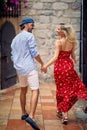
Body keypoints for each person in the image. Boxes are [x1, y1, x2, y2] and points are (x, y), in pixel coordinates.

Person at [42, 23, 87, 125]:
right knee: (75, 86)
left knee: (62, 90)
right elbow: (73, 55)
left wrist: (45, 65)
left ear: (63, 31)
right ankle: (60, 111)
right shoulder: (72, 42)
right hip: (69, 67)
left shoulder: (58, 42)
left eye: (58, 29)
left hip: (60, 68)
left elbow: (55, 57)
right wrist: (74, 61)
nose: (56, 30)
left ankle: (65, 115)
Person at [11, 17, 44, 130]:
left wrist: (17, 64)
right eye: (31, 25)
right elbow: (34, 53)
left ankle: (24, 113)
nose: (33, 26)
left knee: (23, 90)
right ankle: (31, 117)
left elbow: (12, 54)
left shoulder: (15, 38)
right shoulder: (29, 36)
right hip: (29, 68)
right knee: (35, 90)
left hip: (20, 69)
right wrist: (42, 63)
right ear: (24, 25)